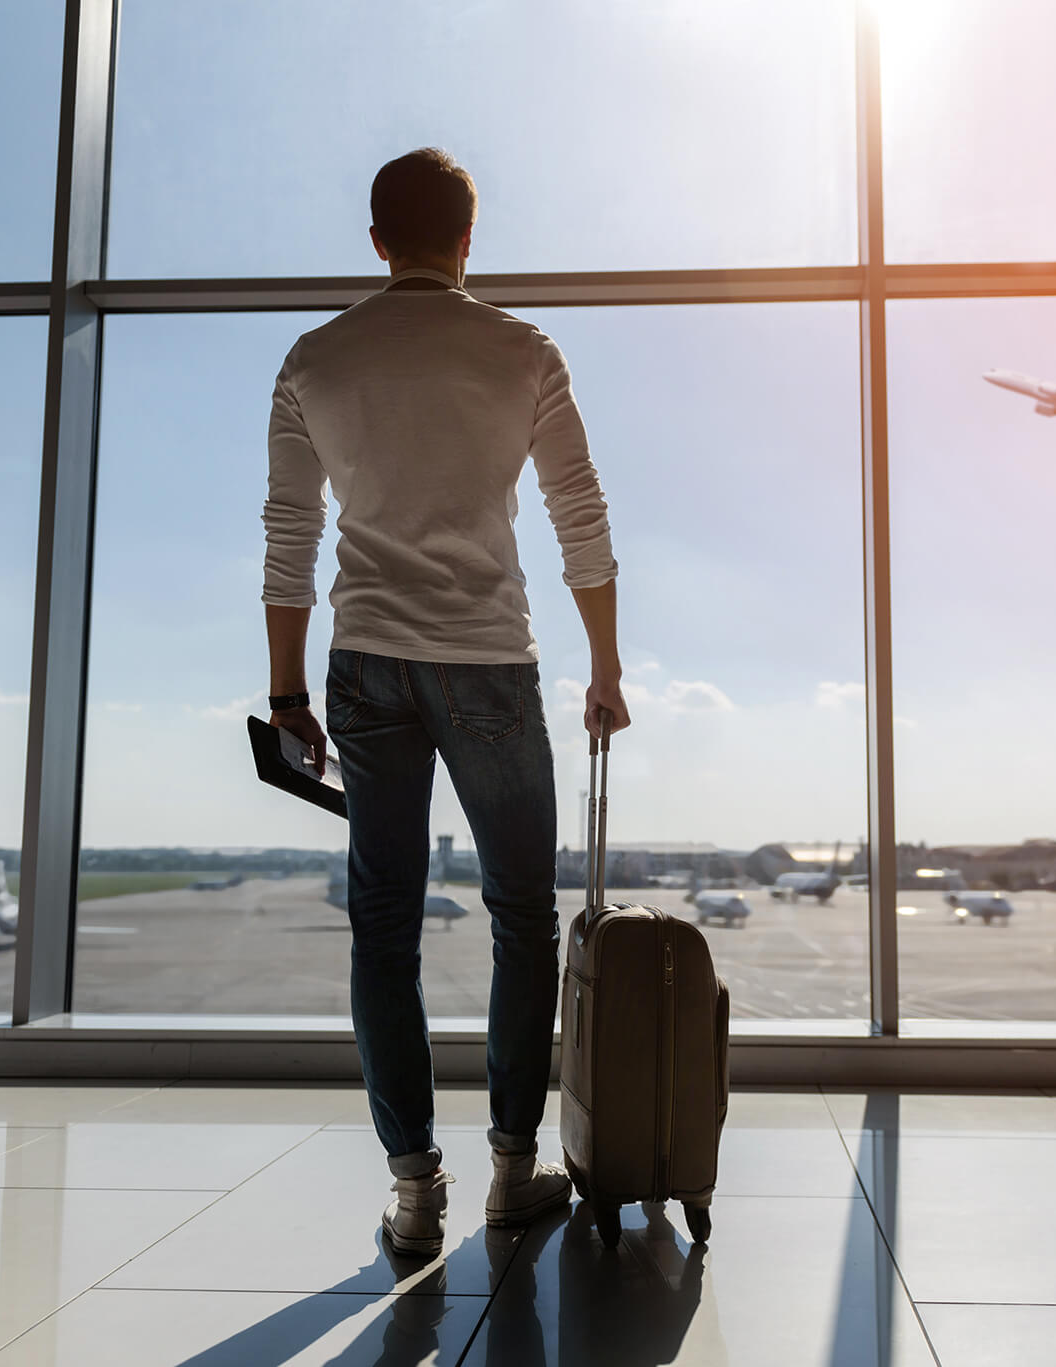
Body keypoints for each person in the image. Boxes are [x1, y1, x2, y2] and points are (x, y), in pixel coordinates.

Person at [260, 147, 631, 1259]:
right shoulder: (524, 350)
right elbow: (579, 510)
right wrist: (605, 665)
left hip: (364, 662)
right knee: (521, 914)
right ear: (470, 239)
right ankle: (513, 1170)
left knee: (383, 924)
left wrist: (287, 690)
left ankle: (414, 1190)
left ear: (377, 240)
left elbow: (289, 535)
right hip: (486, 662)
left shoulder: (314, 359)